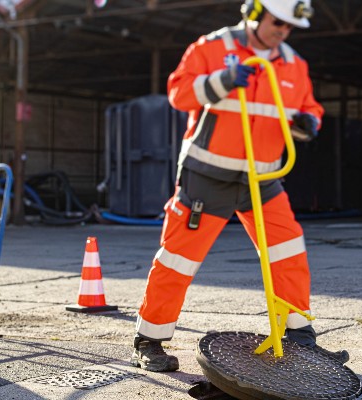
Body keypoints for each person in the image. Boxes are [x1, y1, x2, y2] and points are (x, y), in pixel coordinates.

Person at [130, 0, 347, 372]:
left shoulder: (294, 64)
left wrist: (309, 122)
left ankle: (300, 338)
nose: (282, 31)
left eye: (289, 26)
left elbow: (310, 108)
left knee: (288, 251)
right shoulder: (212, 48)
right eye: (277, 22)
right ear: (255, 13)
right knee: (178, 258)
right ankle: (149, 340)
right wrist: (222, 81)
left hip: (263, 179)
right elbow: (179, 94)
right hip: (208, 175)